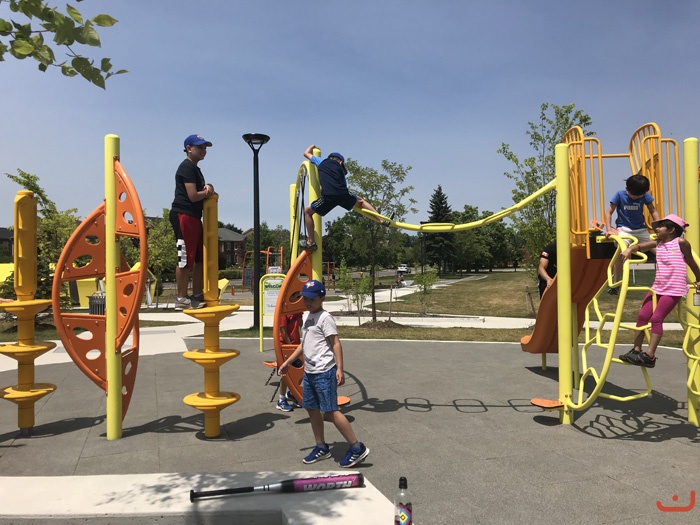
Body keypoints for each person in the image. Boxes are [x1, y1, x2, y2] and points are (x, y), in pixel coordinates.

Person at [278, 280, 370, 468]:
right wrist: (287, 362)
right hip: (310, 372)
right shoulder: (308, 317)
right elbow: (304, 344)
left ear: (322, 298)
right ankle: (321, 447)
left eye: (312, 299)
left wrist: (340, 368)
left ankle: (356, 447)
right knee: (312, 409)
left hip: (324, 372)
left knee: (331, 411)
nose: (308, 302)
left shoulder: (325, 317)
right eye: (305, 299)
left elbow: (335, 343)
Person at [618, 214, 700, 368]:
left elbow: (691, 262)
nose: (656, 229)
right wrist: (629, 249)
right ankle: (636, 350)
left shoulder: (681, 243)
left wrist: (698, 278)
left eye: (660, 226)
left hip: (674, 289)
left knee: (656, 318)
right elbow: (640, 246)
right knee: (642, 316)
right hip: (658, 287)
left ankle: (650, 355)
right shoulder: (658, 243)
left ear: (671, 229)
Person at [299, 145, 382, 251]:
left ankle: (311, 242)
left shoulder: (322, 161)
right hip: (343, 194)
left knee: (307, 212)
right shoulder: (341, 169)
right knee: (361, 201)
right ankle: (381, 219)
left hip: (328, 196)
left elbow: (306, 153)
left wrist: (313, 146)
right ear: (341, 162)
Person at [169, 134, 215, 310]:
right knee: (185, 257)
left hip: (194, 217)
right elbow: (193, 196)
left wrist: (208, 187)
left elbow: (200, 191)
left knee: (199, 258)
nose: (204, 150)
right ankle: (181, 298)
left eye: (205, 148)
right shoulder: (187, 167)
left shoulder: (195, 169)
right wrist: (207, 192)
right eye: (200, 147)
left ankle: (196, 294)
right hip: (184, 214)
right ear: (189, 148)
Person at [604, 173, 660, 294]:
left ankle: (668, 277)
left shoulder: (645, 196)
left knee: (660, 250)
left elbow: (653, 211)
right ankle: (615, 284)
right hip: (624, 230)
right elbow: (609, 212)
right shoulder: (620, 195)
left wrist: (659, 226)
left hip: (641, 230)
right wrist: (608, 229)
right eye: (633, 195)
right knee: (622, 250)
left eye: (639, 195)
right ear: (627, 189)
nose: (636, 197)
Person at [276, 311, 304, 412]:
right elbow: (284, 332)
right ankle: (281, 400)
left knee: (301, 369)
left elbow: (301, 324)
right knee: (286, 374)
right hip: (285, 347)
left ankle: (292, 393)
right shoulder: (284, 312)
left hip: (296, 346)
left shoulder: (297, 311)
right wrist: (291, 348)